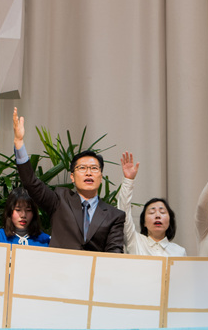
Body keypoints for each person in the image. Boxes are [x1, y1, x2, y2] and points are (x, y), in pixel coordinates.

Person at [13, 108, 125, 253]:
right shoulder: (59, 200)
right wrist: (19, 143)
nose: (88, 172)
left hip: (94, 268)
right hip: (60, 266)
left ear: (101, 176)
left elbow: (114, 253)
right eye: (82, 168)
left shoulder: (114, 215)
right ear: (72, 176)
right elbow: (31, 183)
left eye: (94, 168)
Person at [116, 152, 186, 256]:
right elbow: (123, 212)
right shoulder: (135, 241)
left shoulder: (179, 252)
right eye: (152, 212)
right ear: (144, 222)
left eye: (162, 212)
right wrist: (128, 180)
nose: (157, 215)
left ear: (169, 220)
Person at [0, 176, 50, 246]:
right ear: (10, 211)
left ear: (34, 213)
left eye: (28, 210)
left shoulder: (45, 240)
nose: (23, 215)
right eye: (18, 210)